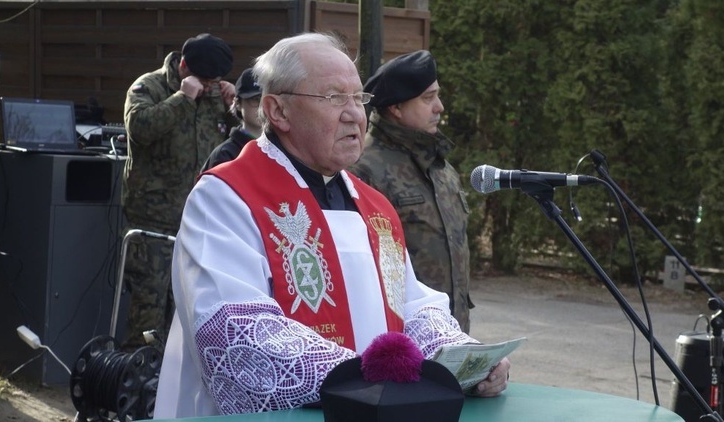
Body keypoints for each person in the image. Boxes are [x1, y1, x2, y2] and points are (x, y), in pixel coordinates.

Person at [153, 32, 509, 418]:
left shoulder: (374, 206)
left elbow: (412, 307)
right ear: (278, 111)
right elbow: (235, 333)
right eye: (334, 97)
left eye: (358, 98)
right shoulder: (225, 198)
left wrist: (467, 361)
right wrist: (365, 377)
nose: (355, 114)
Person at [121, 33, 236, 350]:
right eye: (204, 80)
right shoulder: (150, 87)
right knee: (149, 312)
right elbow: (140, 130)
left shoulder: (215, 94)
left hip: (200, 221)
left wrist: (233, 107)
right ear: (184, 65)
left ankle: (172, 390)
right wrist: (181, 99)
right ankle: (139, 382)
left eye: (215, 81)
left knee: (189, 313)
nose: (209, 86)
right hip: (153, 221)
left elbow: (238, 143)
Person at [348, 50, 473, 332]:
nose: (439, 107)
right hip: (399, 337)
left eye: (437, 95)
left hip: (451, 331)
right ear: (396, 108)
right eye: (428, 98)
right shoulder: (362, 169)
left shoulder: (437, 163)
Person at [201, 67, 263, 171]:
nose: (262, 107)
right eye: (256, 99)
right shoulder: (225, 155)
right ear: (238, 104)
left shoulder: (282, 149)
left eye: (266, 99)